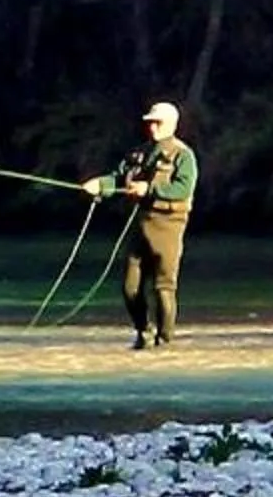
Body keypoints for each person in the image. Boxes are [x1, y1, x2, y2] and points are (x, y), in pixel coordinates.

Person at [82, 101, 198, 349]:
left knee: (163, 287)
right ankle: (144, 330)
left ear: (171, 124)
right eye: (150, 122)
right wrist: (99, 185)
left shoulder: (183, 155)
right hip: (140, 225)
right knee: (129, 287)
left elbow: (183, 188)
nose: (152, 127)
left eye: (158, 122)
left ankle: (165, 341)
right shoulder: (139, 154)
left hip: (169, 225)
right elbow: (118, 178)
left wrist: (150, 188)